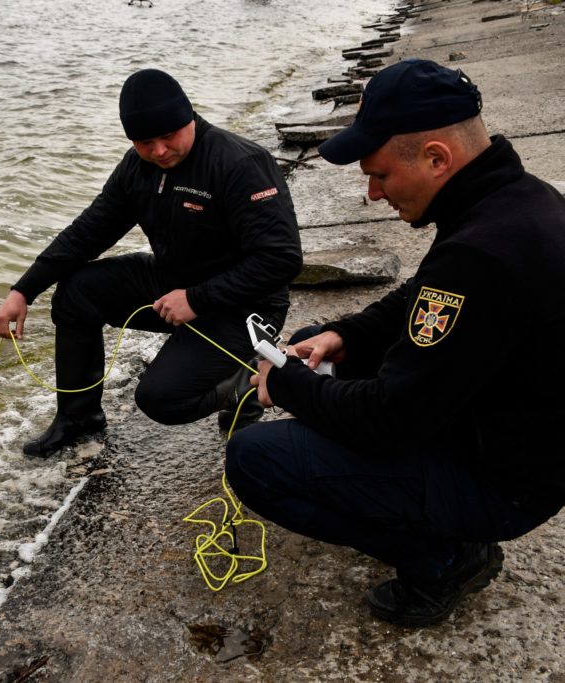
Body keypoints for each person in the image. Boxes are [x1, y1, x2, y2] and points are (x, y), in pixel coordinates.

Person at [225, 59, 565, 627]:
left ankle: (447, 558)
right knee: (320, 343)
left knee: (256, 460)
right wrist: (342, 334)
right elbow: (421, 294)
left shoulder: (481, 254)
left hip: (508, 482)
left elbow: (391, 420)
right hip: (515, 428)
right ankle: (440, 529)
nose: (373, 194)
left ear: (437, 158)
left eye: (380, 174)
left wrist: (288, 384)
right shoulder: (516, 202)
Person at [0, 68, 303, 457]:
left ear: (189, 117)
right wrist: (23, 290)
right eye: (144, 141)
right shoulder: (138, 167)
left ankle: (249, 382)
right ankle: (78, 418)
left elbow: (282, 259)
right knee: (75, 293)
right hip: (171, 283)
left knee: (161, 400)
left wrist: (198, 298)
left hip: (244, 307)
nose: (158, 151)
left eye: (168, 136)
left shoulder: (240, 163)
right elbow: (88, 232)